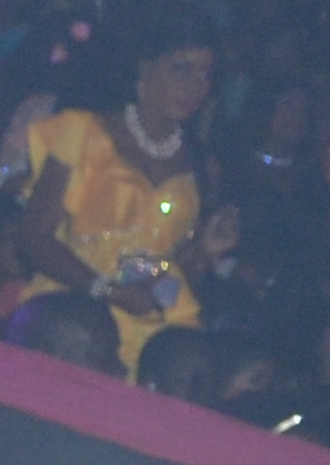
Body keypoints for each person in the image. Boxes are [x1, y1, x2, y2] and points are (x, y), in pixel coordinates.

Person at [17, 24, 219, 365]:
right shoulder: (84, 131)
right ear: (145, 67)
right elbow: (33, 238)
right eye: (181, 67)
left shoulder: (200, 164)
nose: (194, 86)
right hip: (73, 316)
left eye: (205, 74)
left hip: (152, 325)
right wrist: (108, 291)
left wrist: (203, 252)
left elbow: (168, 267)